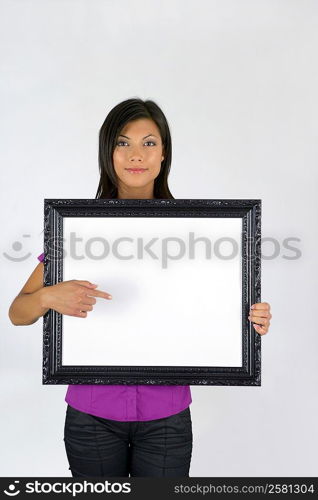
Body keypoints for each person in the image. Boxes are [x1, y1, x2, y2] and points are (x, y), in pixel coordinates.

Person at [8, 97, 272, 477]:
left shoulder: (201, 232)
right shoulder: (77, 230)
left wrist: (250, 318)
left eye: (149, 143)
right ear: (107, 152)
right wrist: (49, 296)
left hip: (167, 418)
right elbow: (18, 313)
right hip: (91, 416)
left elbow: (210, 307)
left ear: (164, 153)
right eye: (122, 142)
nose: (136, 155)